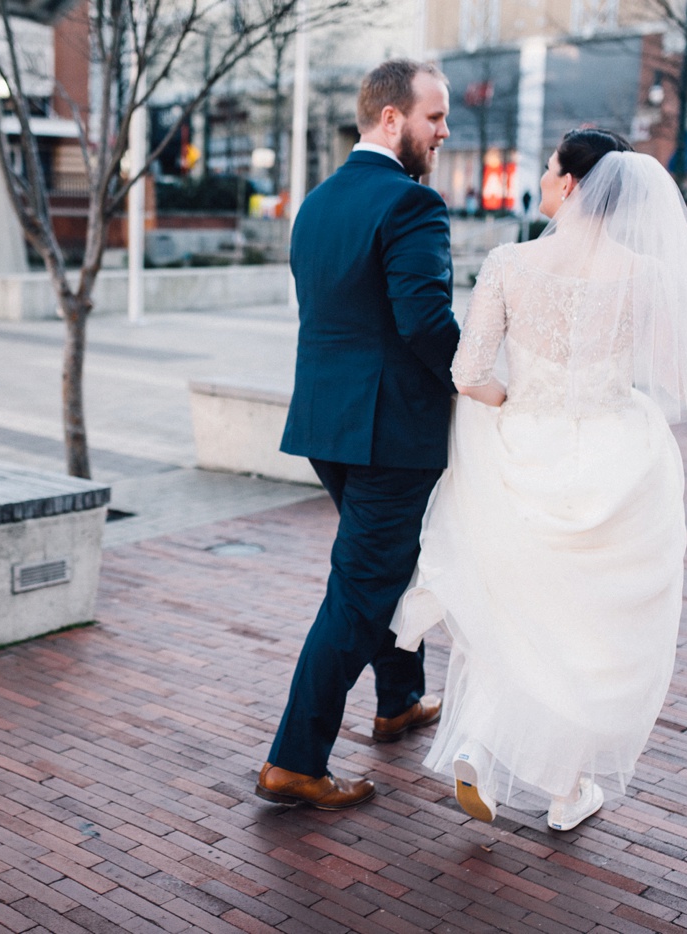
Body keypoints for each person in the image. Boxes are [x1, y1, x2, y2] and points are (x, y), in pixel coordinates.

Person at [392, 129, 687, 832]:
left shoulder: (510, 262)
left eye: (553, 171)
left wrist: (512, 405)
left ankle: (481, 753)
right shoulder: (641, 274)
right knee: (589, 630)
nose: (547, 181)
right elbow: (683, 377)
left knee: (515, 604)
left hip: (527, 451)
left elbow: (468, 375)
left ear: (577, 184)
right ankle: (565, 793)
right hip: (615, 463)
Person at [255, 59, 459, 811]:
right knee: (358, 592)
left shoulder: (317, 202)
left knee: (384, 571)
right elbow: (425, 322)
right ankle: (294, 760)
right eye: (434, 118)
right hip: (390, 436)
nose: (444, 131)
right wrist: (479, 380)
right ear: (392, 120)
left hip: (325, 424)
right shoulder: (412, 205)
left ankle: (399, 698)